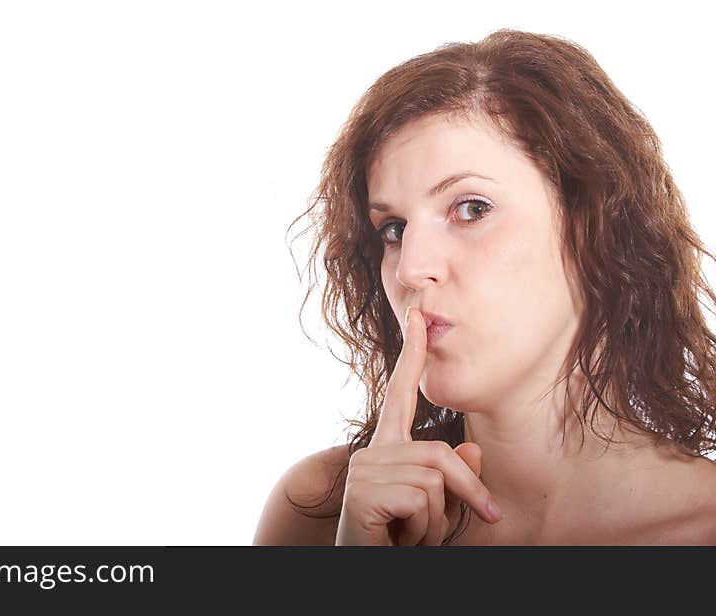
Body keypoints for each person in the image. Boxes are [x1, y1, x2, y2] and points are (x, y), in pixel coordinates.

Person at [253, 28, 716, 546]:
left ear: (595, 229)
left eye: (471, 209)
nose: (410, 269)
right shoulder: (320, 514)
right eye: (394, 229)